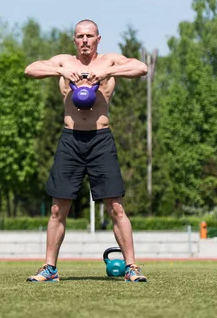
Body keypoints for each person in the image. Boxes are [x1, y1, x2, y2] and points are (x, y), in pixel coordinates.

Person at [23, 19, 149, 283]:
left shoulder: (109, 62)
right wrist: (61, 73)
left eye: (89, 36)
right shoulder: (64, 63)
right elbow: (30, 69)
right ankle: (50, 268)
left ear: (98, 39)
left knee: (115, 206)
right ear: (74, 39)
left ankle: (132, 267)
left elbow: (141, 67)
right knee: (58, 209)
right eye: (80, 36)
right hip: (70, 140)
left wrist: (106, 75)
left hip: (101, 139)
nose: (84, 40)